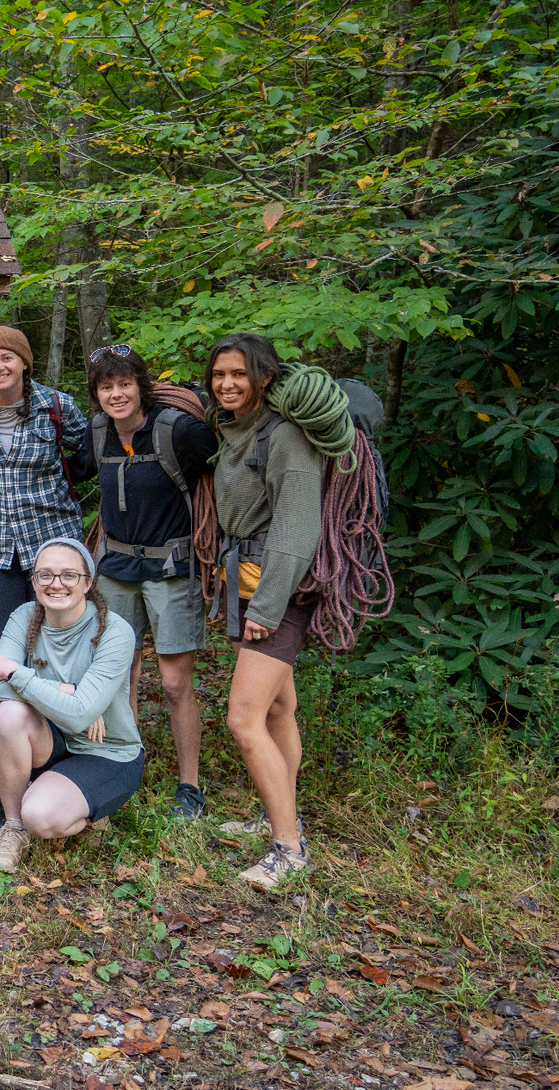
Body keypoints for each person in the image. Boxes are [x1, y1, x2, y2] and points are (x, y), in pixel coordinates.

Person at [207, 333, 325, 888]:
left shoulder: (286, 438)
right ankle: (283, 815)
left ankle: (288, 848)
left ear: (266, 378)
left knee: (243, 718)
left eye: (239, 374)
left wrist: (270, 608)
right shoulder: (235, 430)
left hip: (278, 591)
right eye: (219, 374)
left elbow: (297, 529)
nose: (227, 383)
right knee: (279, 710)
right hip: (244, 583)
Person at [86, 346, 218, 819]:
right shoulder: (97, 433)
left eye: (124, 384)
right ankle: (126, 766)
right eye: (106, 386)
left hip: (171, 570)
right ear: (96, 394)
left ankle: (189, 787)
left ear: (141, 385)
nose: (116, 394)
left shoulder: (179, 431)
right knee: (120, 676)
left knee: (175, 681)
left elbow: (229, 463)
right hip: (116, 569)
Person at [0, 539, 144, 874]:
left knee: (41, 816)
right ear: (34, 582)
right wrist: (70, 692)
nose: (56, 584)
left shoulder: (114, 631)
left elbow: (80, 713)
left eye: (69, 575)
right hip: (54, 737)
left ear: (88, 582)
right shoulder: (25, 616)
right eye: (45, 576)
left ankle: (87, 812)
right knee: (6, 716)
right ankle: (13, 828)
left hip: (105, 750)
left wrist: (16, 672)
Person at [0, 326, 96, 647]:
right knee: (4, 641)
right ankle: (8, 698)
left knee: (59, 638)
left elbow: (94, 449)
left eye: (7, 358)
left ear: (24, 362)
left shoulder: (56, 406)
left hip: (53, 542)